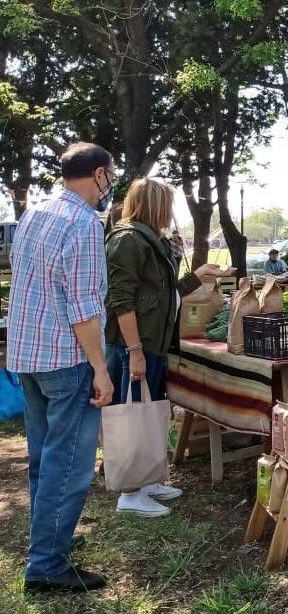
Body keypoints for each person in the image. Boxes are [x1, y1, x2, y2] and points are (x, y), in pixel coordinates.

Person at [8, 142, 116, 592]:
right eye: (110, 174)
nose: (111, 182)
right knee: (68, 465)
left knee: (43, 458)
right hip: (66, 357)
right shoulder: (85, 223)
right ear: (98, 175)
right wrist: (101, 369)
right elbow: (85, 307)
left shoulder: (36, 212)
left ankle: (48, 544)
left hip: (27, 355)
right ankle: (48, 564)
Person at [104, 179, 234, 517]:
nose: (171, 212)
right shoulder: (128, 239)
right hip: (136, 345)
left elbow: (165, 294)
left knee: (150, 410)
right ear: (153, 205)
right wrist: (134, 351)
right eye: (167, 204)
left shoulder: (150, 239)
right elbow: (122, 301)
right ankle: (129, 493)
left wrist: (200, 275)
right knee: (132, 413)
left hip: (153, 344)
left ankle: (146, 481)